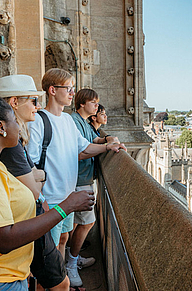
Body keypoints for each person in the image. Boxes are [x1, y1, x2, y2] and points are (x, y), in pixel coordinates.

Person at [0, 94, 95, 291]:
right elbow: (3, 239)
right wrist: (67, 207)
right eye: (13, 120)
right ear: (1, 127)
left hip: (5, 276)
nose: (18, 126)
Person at [27, 68, 126, 288]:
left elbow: (85, 147)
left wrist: (109, 146)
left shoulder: (68, 121)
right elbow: (30, 164)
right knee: (47, 259)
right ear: (53, 90)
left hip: (68, 197)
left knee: (63, 241)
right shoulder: (39, 121)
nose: (72, 93)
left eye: (72, 88)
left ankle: (63, 283)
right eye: (68, 88)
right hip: (50, 200)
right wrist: (40, 199)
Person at [0, 74, 70, 291]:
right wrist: (39, 177)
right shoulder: (10, 143)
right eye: (33, 101)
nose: (37, 107)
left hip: (23, 220)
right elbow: (34, 189)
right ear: (14, 102)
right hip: (27, 220)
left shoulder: (12, 138)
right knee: (60, 284)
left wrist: (37, 176)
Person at [68, 90, 120, 286]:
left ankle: (72, 258)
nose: (97, 106)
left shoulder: (84, 122)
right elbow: (80, 151)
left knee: (75, 223)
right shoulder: (74, 121)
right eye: (93, 102)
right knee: (87, 222)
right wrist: (108, 147)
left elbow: (94, 140)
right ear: (82, 104)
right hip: (79, 179)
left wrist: (108, 139)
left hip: (83, 178)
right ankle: (71, 264)